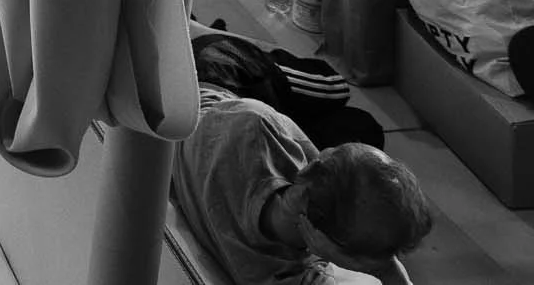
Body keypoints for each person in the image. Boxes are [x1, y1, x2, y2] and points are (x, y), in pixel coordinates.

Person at [174, 82, 433, 285]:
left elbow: (204, 97)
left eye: (331, 153)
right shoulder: (279, 276)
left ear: (308, 168)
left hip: (211, 95)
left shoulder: (254, 124)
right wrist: (388, 273)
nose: (324, 149)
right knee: (358, 123)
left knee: (355, 118)